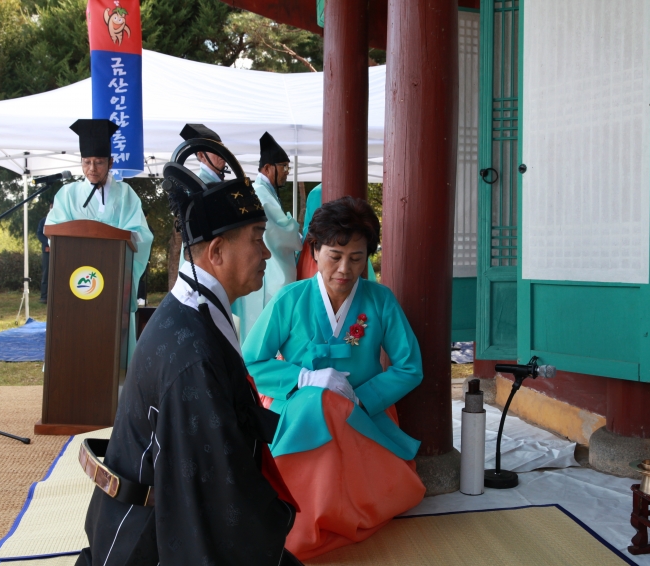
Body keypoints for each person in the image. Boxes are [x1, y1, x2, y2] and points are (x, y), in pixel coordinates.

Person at [75, 143, 303, 566]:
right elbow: (211, 499)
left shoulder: (190, 311)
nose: (268, 254)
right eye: (257, 240)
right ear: (216, 253)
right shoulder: (192, 355)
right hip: (148, 543)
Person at [243, 196, 426, 560]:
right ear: (314, 250)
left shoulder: (380, 300)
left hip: (363, 414)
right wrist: (307, 379)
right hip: (297, 412)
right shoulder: (290, 298)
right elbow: (250, 362)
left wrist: (359, 398)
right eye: (334, 256)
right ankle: (302, 520)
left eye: (357, 258)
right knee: (317, 400)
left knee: (329, 405)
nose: (344, 268)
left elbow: (410, 367)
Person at [46, 119, 153, 359]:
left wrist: (115, 240)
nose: (92, 168)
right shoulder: (68, 194)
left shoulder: (126, 195)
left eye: (99, 162)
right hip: (77, 282)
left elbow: (141, 235)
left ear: (110, 163)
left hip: (112, 283)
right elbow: (55, 232)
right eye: (87, 162)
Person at [232, 131, 302, 343]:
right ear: (267, 168)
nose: (286, 173)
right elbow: (281, 232)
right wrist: (297, 230)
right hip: (268, 272)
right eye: (283, 167)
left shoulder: (265, 191)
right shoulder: (261, 193)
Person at [36, 203, 52, 304]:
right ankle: (44, 296)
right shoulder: (44, 221)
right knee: (46, 272)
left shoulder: (62, 220)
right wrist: (48, 243)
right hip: (47, 250)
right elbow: (39, 234)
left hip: (60, 250)